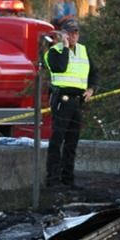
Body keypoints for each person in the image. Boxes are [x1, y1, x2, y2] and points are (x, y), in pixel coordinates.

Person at [44, 18, 98, 188]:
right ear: (62, 35)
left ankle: (68, 178)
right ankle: (52, 179)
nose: (73, 36)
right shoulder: (54, 51)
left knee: (72, 141)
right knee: (57, 139)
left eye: (75, 33)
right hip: (62, 99)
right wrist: (66, 47)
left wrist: (91, 89)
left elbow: (94, 72)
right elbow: (59, 67)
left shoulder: (83, 50)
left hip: (77, 101)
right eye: (69, 33)